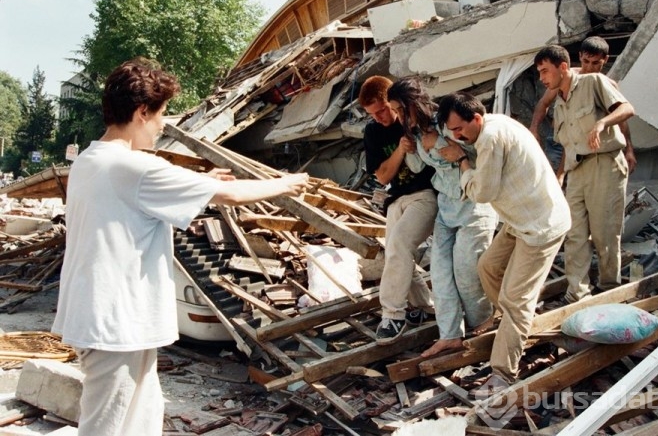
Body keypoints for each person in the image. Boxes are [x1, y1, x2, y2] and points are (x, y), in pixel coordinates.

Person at [52, 58, 308, 436]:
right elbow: (232, 194)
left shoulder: (91, 161)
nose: (163, 125)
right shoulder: (132, 168)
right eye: (161, 115)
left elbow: (141, 192)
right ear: (142, 112)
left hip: (105, 316)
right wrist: (287, 183)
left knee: (139, 417)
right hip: (114, 321)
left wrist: (199, 180)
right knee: (108, 425)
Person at [436, 92, 571, 383]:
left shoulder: (490, 139)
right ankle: (516, 322)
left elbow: (482, 193)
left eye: (460, 129)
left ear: (476, 117)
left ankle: (504, 371)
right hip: (518, 220)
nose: (457, 136)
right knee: (488, 267)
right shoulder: (490, 125)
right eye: (452, 132)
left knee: (516, 297)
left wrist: (461, 162)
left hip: (540, 227)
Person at [387, 78, 497, 357]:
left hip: (473, 205)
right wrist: (407, 148)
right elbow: (416, 165)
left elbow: (480, 153)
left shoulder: (447, 123)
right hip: (446, 207)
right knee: (440, 272)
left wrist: (458, 152)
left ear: (413, 103)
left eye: (400, 109)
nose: (399, 116)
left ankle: (482, 323)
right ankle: (449, 335)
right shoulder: (414, 134)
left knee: (466, 272)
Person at [534, 45, 635, 304]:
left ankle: (609, 290)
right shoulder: (559, 101)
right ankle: (577, 293)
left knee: (604, 233)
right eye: (540, 72)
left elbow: (626, 110)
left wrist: (602, 123)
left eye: (545, 71)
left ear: (563, 67)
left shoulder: (594, 82)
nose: (542, 78)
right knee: (575, 233)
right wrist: (560, 174)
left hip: (605, 164)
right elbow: (569, 144)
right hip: (576, 170)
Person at [359, 75, 437, 346]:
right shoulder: (373, 132)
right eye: (372, 114)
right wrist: (401, 151)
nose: (379, 117)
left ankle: (392, 315)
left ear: (391, 102)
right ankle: (425, 308)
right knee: (395, 250)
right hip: (396, 198)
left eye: (382, 110)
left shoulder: (412, 118)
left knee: (400, 245)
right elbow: (382, 176)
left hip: (425, 195)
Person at [529, 36, 636, 174]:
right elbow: (543, 104)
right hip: (561, 142)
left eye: (596, 63)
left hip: (588, 147)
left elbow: (622, 117)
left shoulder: (606, 85)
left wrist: (629, 149)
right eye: (586, 61)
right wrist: (534, 128)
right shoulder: (565, 77)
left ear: (605, 60)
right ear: (580, 57)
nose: (590, 67)